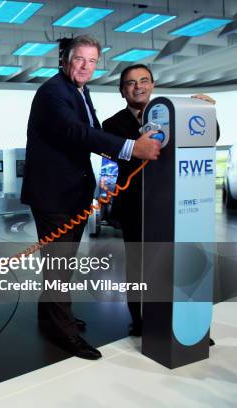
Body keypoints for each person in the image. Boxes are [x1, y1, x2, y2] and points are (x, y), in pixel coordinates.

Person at [21, 35, 161, 360]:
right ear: (65, 60)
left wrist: (135, 139)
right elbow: (77, 133)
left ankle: (50, 317)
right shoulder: (53, 93)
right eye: (79, 59)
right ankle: (64, 334)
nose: (85, 66)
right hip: (54, 197)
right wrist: (130, 148)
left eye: (92, 61)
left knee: (62, 264)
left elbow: (96, 131)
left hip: (73, 194)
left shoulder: (80, 91)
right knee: (58, 266)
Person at [102, 64, 218, 344]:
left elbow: (209, 137)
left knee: (176, 263)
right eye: (130, 83)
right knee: (139, 266)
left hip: (174, 207)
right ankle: (140, 321)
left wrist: (205, 113)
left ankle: (183, 322)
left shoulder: (174, 115)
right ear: (122, 91)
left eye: (144, 80)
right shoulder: (111, 125)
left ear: (153, 85)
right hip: (136, 208)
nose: (138, 86)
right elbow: (121, 156)